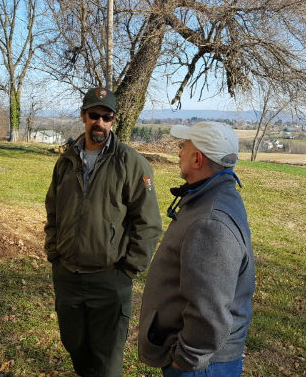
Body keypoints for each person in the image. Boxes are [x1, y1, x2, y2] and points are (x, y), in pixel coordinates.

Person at [44, 87, 162, 377]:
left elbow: (148, 222)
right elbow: (53, 211)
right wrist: (54, 254)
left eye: (106, 117)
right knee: (76, 348)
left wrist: (127, 270)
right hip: (68, 277)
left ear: (113, 120)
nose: (100, 123)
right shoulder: (67, 160)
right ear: (83, 116)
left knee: (107, 363)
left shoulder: (130, 162)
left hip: (109, 280)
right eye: (94, 115)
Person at [138, 121, 255, 377]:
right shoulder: (212, 197)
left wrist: (186, 360)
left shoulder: (210, 221)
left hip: (200, 367)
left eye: (184, 147)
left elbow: (209, 310)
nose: (179, 152)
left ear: (197, 159)